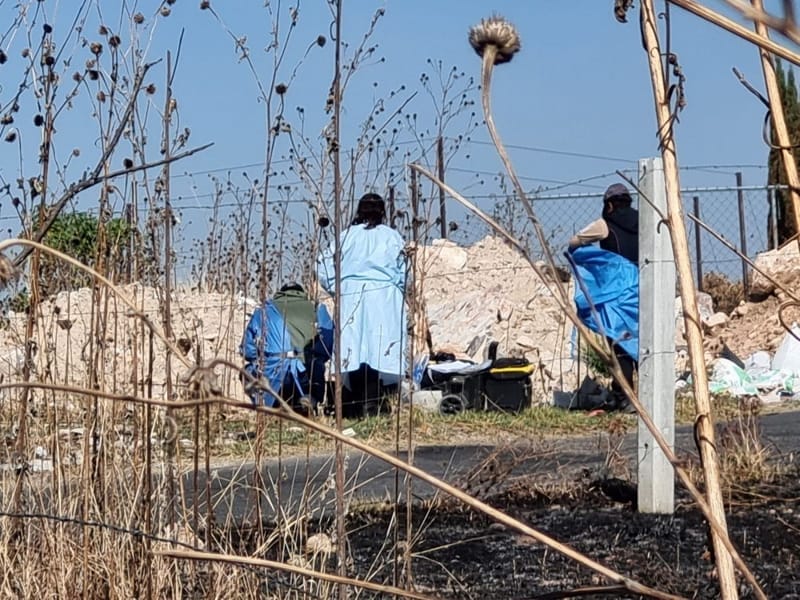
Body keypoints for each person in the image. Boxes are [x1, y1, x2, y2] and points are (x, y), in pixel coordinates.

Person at [316, 192, 407, 418]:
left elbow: (323, 263)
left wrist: (337, 287)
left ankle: (354, 407)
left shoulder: (346, 236)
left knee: (353, 349)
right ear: (383, 211)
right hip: (384, 297)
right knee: (380, 349)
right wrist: (397, 286)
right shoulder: (392, 237)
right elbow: (406, 268)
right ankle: (374, 404)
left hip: (352, 295)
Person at [568, 183, 639, 412]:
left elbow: (574, 241)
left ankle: (624, 397)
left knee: (619, 343)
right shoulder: (644, 222)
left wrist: (590, 257)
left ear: (609, 205)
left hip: (616, 293)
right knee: (644, 342)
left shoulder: (604, 225)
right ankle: (648, 395)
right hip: (642, 288)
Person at [240, 283, 333, 415]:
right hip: (306, 374)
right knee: (317, 363)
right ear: (302, 293)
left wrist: (267, 358)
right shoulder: (316, 308)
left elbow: (247, 350)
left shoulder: (263, 311)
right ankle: (309, 401)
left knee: (245, 372)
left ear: (280, 293)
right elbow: (327, 346)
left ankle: (266, 405)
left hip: (272, 375)